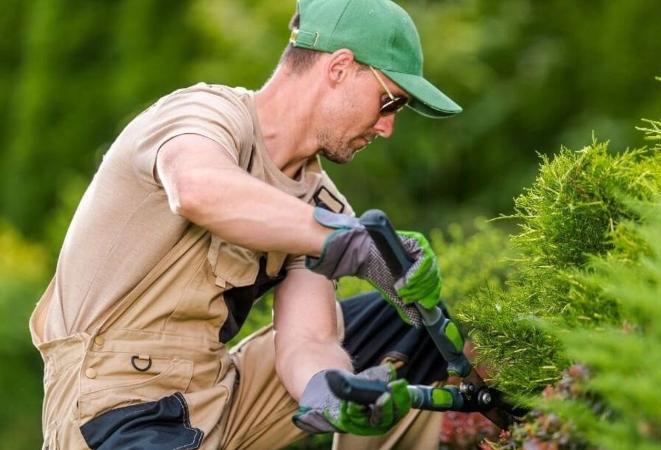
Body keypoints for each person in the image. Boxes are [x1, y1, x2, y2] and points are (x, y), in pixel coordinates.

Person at [28, 0, 462, 448]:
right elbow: (197, 189)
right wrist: (346, 240)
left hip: (218, 394)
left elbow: (308, 340)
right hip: (114, 401)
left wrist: (333, 392)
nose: (387, 127)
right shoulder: (202, 114)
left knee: (407, 330)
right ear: (339, 68)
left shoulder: (322, 203)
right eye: (390, 102)